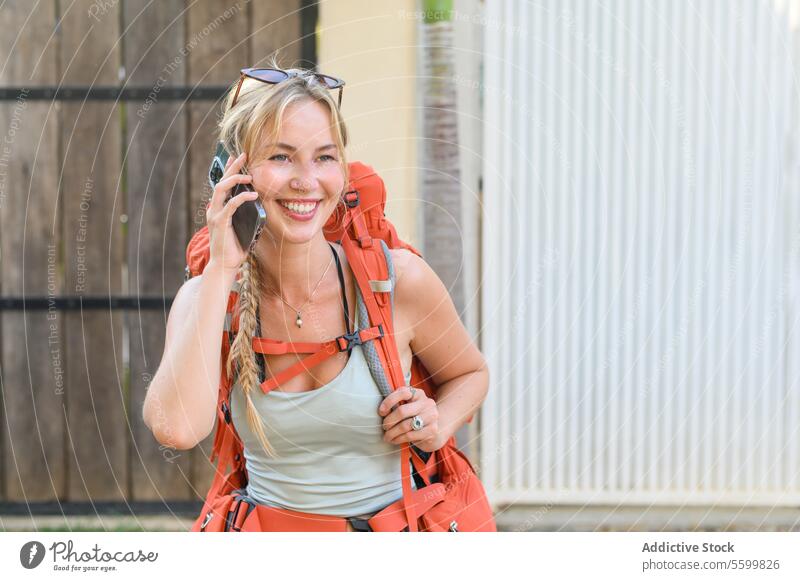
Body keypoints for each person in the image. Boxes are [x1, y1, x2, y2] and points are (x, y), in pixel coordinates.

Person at [142, 59, 489, 531]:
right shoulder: (208, 297)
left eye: (325, 157)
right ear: (233, 172)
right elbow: (176, 429)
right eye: (281, 157)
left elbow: (471, 374)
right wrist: (224, 266)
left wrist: (439, 420)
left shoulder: (396, 282)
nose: (307, 181)